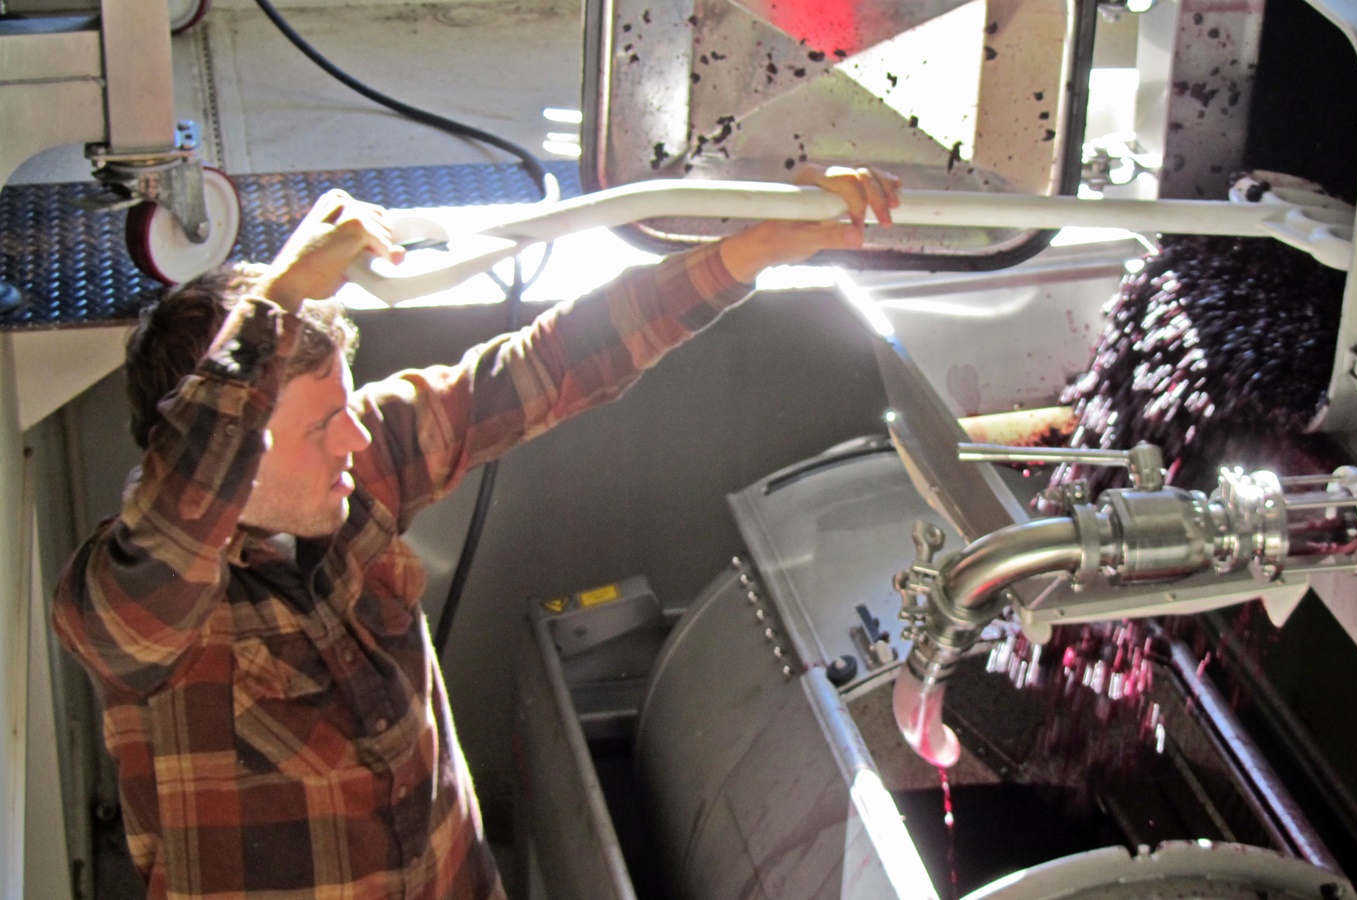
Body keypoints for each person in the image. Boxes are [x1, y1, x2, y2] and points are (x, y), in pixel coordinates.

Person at [52, 163, 901, 899]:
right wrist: (282, 293)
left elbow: (549, 364)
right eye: (319, 429)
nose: (356, 437)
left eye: (347, 407)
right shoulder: (135, 612)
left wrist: (749, 251)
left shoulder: (360, 471)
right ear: (230, 446)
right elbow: (177, 515)